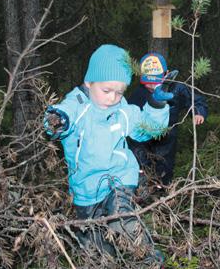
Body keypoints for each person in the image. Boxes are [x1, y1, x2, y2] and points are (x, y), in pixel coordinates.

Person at [43, 44, 170, 261]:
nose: (112, 98)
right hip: (86, 187)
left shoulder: (123, 110)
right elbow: (60, 116)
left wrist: (157, 105)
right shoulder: (77, 104)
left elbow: (149, 129)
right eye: (106, 91)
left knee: (122, 218)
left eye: (119, 92)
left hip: (119, 179)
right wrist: (57, 120)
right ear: (89, 82)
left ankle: (149, 260)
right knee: (93, 243)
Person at [128, 52, 208, 186]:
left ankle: (162, 196)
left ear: (166, 74)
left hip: (167, 141)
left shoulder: (178, 88)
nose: (152, 87)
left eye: (155, 82)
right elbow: (130, 120)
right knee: (142, 173)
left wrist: (198, 112)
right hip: (143, 143)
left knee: (164, 174)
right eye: (148, 83)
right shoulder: (139, 93)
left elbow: (196, 100)